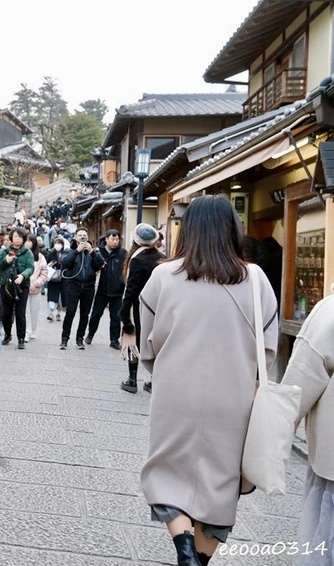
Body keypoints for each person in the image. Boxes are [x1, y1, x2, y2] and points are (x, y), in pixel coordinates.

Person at [138, 195, 278, 566]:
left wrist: (167, 370)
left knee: (168, 473)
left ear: (189, 230)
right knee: (219, 483)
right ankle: (198, 559)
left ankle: (183, 545)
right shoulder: (256, 280)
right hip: (234, 400)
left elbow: (147, 345)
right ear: (233, 230)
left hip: (175, 393)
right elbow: (268, 350)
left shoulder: (162, 277)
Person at [281, 287, 333, 566]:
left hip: (332, 465)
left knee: (322, 545)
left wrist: (276, 433)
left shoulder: (330, 312)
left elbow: (298, 385)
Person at [118, 224, 163, 394]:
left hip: (139, 307)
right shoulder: (162, 258)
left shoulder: (136, 260)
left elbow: (131, 290)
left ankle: (132, 379)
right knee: (157, 343)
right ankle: (154, 380)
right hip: (158, 307)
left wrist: (124, 315)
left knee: (133, 342)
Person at [59, 228, 105, 350]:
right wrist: (77, 251)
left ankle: (80, 338)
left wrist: (92, 252)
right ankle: (64, 338)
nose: (82, 237)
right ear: (75, 237)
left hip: (89, 286)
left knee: (85, 314)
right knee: (70, 312)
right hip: (74, 284)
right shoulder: (70, 250)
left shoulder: (93, 251)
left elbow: (101, 264)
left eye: (85, 235)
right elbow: (64, 261)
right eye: (80, 235)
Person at [86, 229, 126, 349]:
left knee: (116, 317)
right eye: (113, 239)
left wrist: (121, 282)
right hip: (101, 290)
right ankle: (90, 334)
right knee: (96, 315)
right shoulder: (99, 252)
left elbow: (125, 269)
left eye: (117, 239)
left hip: (117, 291)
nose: (115, 242)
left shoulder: (123, 253)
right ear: (106, 239)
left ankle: (114, 340)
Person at [0, 227, 34, 349]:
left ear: (23, 239)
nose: (17, 239)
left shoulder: (28, 253)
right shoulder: (4, 251)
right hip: (6, 286)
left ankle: (21, 339)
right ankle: (7, 335)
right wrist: (6, 261)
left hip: (22, 287)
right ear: (11, 238)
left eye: (20, 236)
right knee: (6, 313)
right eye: (15, 236)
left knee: (20, 313)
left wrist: (23, 276)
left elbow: (30, 268)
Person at [25, 233, 48, 342]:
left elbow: (44, 273)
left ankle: (32, 330)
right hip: (23, 288)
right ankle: (27, 331)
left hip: (35, 288)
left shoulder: (40, 257)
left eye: (30, 241)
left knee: (34, 311)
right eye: (26, 241)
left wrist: (36, 283)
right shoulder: (21, 254)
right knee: (25, 311)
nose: (28, 243)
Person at [45, 236, 65, 322]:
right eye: (56, 243)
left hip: (62, 276)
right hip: (53, 277)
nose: (58, 245)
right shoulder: (50, 254)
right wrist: (50, 264)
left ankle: (58, 313)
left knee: (60, 296)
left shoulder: (65, 253)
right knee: (52, 295)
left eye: (59, 243)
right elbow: (46, 265)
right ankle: (51, 312)